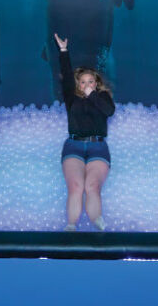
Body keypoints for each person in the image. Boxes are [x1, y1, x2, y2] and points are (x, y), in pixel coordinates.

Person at [54, 33, 115, 232]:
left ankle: (98, 223)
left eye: (91, 82)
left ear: (96, 84)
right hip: (74, 145)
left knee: (92, 186)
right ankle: (71, 226)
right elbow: (65, 78)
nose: (87, 85)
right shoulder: (72, 99)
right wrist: (63, 52)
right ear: (78, 85)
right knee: (76, 186)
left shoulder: (103, 98)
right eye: (82, 82)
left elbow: (109, 111)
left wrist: (93, 95)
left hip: (98, 146)